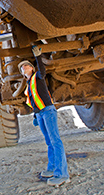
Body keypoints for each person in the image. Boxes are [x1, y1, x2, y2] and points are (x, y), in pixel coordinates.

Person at [18, 45, 70, 186]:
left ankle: (62, 174)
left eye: (27, 65)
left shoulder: (37, 77)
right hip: (40, 114)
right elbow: (34, 102)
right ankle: (52, 168)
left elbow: (43, 70)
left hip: (48, 111)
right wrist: (35, 116)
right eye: (22, 67)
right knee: (49, 142)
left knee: (55, 141)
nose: (25, 67)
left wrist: (38, 57)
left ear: (32, 68)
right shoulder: (29, 86)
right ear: (23, 74)